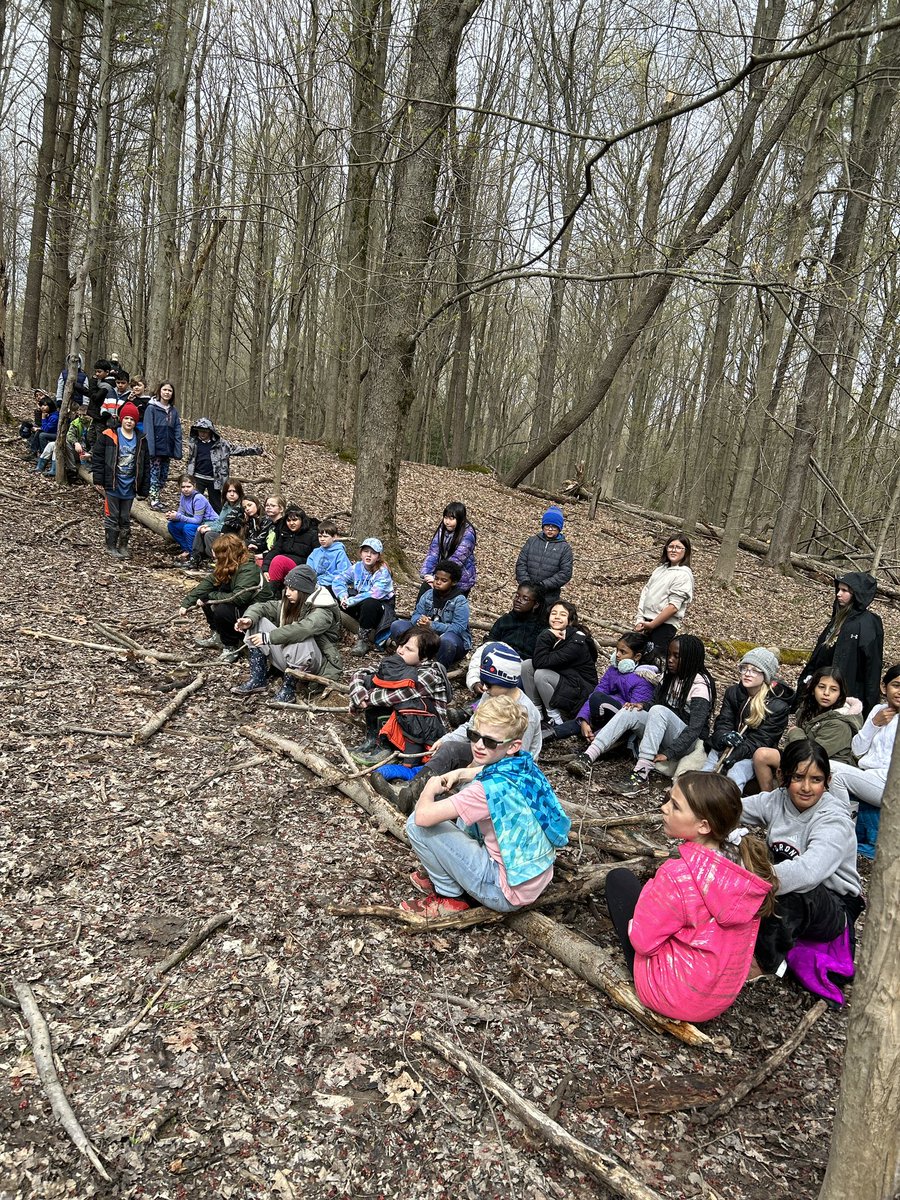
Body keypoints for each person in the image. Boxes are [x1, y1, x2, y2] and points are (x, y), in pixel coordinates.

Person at [605, 772, 775, 1023]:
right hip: (718, 998)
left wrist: (651, 896)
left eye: (674, 806)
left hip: (671, 995)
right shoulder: (744, 868)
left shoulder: (677, 876)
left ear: (704, 825)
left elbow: (643, 943)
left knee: (619, 880)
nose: (664, 808)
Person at [401, 695, 571, 917]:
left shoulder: (485, 790)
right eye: (474, 736)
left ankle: (450, 897)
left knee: (415, 823)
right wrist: (460, 773)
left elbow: (423, 817)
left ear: (513, 746)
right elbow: (484, 772)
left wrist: (429, 788)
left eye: (490, 742)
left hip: (503, 891)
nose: (479, 745)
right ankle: (452, 873)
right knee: (465, 800)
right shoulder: (524, 764)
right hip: (532, 876)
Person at [740, 740, 864, 978]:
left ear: (827, 781)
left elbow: (808, 872)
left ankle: (763, 962)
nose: (806, 787)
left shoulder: (833, 819)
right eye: (798, 778)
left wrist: (748, 881)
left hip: (832, 905)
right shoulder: (776, 800)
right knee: (740, 848)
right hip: (784, 886)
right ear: (782, 776)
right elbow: (731, 809)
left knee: (798, 891)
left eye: (816, 780)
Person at [391, 642, 543, 814]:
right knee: (450, 749)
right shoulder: (490, 695)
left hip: (506, 773)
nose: (484, 688)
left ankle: (429, 806)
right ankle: (410, 790)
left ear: (506, 682)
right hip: (486, 751)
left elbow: (515, 763)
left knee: (471, 789)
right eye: (484, 682)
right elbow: (472, 726)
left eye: (490, 684)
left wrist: (473, 767)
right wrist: (446, 739)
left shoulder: (526, 714)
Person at [566, 634, 716, 794]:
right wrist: (642, 705)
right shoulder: (670, 675)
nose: (670, 660)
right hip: (663, 731)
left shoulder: (700, 684)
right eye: (669, 655)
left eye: (677, 656)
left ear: (691, 659)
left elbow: (695, 728)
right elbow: (656, 702)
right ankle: (589, 755)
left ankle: (641, 774)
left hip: (685, 742)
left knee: (658, 710)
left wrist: (669, 753)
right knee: (630, 710)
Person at [231, 564, 342, 702]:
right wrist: (249, 619)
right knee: (258, 622)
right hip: (291, 658)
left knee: (300, 637)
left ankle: (289, 689)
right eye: (287, 588)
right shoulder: (291, 602)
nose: (287, 592)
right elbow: (262, 607)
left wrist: (268, 637)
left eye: (292, 589)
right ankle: (258, 679)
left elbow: (303, 629)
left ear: (304, 591)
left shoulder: (323, 611)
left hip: (315, 663)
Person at [348, 625, 451, 766]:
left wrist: (361, 700)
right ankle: (372, 741)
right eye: (401, 645)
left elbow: (395, 696)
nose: (400, 651)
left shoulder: (430, 675)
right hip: (405, 721)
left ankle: (387, 747)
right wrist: (358, 692)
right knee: (372, 681)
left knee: (406, 701)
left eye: (408, 649)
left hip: (428, 732)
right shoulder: (398, 664)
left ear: (424, 657)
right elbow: (361, 673)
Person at [753, 666, 862, 793]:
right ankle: (769, 798)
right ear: (813, 689)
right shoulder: (808, 710)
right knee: (760, 758)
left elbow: (811, 754)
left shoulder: (840, 723)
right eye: (821, 687)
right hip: (802, 757)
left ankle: (778, 799)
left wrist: (795, 732)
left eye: (833, 689)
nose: (826, 693)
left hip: (825, 767)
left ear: (840, 694)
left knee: (768, 757)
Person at [829, 664, 900, 856]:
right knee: (824, 768)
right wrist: (875, 723)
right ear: (884, 688)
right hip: (868, 777)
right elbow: (857, 749)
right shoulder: (878, 710)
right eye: (896, 685)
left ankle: (843, 836)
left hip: (890, 785)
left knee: (835, 773)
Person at [700, 648, 792, 791]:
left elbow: (761, 740)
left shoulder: (777, 706)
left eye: (755, 670)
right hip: (726, 746)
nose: (748, 674)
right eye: (744, 668)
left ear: (766, 675)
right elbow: (723, 722)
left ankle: (728, 808)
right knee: (706, 772)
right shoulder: (733, 692)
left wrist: (735, 755)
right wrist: (725, 737)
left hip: (752, 754)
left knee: (736, 773)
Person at [545, 631, 657, 745]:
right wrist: (584, 719)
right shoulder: (613, 670)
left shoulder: (644, 678)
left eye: (623, 652)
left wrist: (600, 733)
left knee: (597, 698)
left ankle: (595, 733)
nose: (617, 654)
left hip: (620, 717)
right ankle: (545, 736)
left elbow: (633, 715)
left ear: (637, 656)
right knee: (578, 721)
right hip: (601, 712)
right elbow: (599, 690)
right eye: (617, 650)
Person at [795, 573, 884, 717]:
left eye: (844, 591)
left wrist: (870, 705)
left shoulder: (868, 623)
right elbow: (820, 654)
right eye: (838, 589)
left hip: (850, 691)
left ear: (856, 594)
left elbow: (872, 666)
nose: (838, 594)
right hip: (825, 687)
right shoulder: (839, 617)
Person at [179, 533, 271, 663]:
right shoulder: (227, 565)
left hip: (257, 610)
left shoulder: (248, 569)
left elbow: (240, 598)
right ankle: (217, 635)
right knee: (207, 599)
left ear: (227, 554)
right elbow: (208, 583)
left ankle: (230, 645)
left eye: (217, 553)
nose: (214, 555)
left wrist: (209, 597)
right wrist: (187, 603)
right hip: (242, 605)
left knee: (222, 610)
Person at [520, 600, 597, 726]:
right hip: (565, 680)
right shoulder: (553, 634)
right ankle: (537, 712)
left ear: (570, 621)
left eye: (562, 614)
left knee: (541, 674)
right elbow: (535, 660)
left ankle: (556, 718)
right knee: (526, 665)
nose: (557, 617)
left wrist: (545, 636)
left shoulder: (576, 642)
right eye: (553, 613)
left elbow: (540, 662)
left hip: (581, 690)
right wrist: (548, 635)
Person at [91, 401, 150, 559]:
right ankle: (111, 546)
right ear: (121, 419)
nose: (129, 421)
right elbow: (98, 458)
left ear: (136, 422)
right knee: (112, 515)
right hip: (112, 484)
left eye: (132, 419)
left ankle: (123, 545)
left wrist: (144, 488)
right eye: (127, 418)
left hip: (130, 485)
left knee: (125, 517)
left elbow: (146, 464)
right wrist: (98, 479)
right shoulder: (109, 435)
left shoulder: (141, 439)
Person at [391, 560, 472, 667]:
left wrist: (432, 625)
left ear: (453, 582)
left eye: (444, 580)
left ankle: (438, 669)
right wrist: (420, 621)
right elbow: (416, 614)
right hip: (426, 637)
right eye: (436, 578)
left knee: (446, 641)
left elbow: (458, 628)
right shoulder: (428, 595)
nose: (438, 582)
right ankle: (405, 658)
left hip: (450, 640)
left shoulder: (460, 601)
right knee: (397, 626)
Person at [633, 533, 695, 656]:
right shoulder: (660, 570)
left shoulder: (683, 575)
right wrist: (640, 619)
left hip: (664, 626)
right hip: (645, 622)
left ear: (685, 551)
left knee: (653, 664)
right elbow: (645, 594)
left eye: (678, 547)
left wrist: (653, 625)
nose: (673, 550)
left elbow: (673, 607)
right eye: (671, 546)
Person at [333, 537, 396, 656]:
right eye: (366, 551)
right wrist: (343, 596)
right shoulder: (357, 567)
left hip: (380, 607)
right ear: (361, 553)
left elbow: (375, 594)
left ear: (378, 556)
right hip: (359, 601)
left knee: (369, 603)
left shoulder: (383, 571)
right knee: (332, 592)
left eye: (373, 553)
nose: (369, 555)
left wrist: (351, 601)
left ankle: (363, 640)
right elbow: (338, 580)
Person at [185, 417, 264, 511]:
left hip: (215, 479)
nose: (202, 433)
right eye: (200, 431)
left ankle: (218, 523)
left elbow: (238, 450)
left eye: (205, 431)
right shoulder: (194, 442)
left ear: (210, 431)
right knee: (194, 501)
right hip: (197, 477)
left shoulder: (221, 444)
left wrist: (256, 450)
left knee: (216, 504)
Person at [515, 507, 573, 605]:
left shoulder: (564, 548)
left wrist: (543, 585)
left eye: (554, 527)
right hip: (526, 593)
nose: (550, 529)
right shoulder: (532, 541)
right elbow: (521, 563)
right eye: (547, 526)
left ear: (559, 528)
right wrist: (526, 583)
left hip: (548, 596)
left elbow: (565, 573)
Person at [420, 502, 477, 596]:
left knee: (450, 607)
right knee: (425, 589)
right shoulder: (442, 529)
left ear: (460, 519)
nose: (447, 522)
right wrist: (427, 574)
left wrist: (437, 578)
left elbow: (457, 560)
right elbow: (433, 552)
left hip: (460, 581)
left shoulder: (468, 535)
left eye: (451, 518)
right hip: (442, 576)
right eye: (445, 517)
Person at [144, 380, 183, 509]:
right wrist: (151, 449)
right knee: (154, 474)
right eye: (165, 390)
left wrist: (177, 450)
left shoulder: (173, 411)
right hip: (156, 448)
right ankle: (153, 500)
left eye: (170, 391)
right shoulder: (151, 408)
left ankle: (155, 496)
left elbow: (177, 430)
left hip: (167, 448)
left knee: (163, 476)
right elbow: (148, 429)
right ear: (159, 391)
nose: (167, 393)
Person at [189, 478, 245, 567]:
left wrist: (211, 528)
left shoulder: (240, 507)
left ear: (239, 493)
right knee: (200, 529)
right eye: (229, 491)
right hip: (223, 531)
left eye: (234, 491)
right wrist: (206, 525)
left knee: (209, 534)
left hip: (233, 535)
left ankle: (219, 559)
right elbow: (219, 521)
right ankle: (196, 557)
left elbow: (227, 525)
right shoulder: (227, 505)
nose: (231, 494)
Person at [165, 476, 219, 561]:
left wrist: (178, 516)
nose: (186, 489)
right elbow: (181, 512)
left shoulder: (198, 498)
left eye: (188, 487)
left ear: (194, 486)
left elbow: (198, 520)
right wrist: (172, 517)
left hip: (208, 523)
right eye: (183, 487)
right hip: (195, 521)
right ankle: (186, 549)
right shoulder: (183, 496)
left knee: (188, 528)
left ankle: (194, 554)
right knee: (172, 525)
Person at [262, 505, 319, 574]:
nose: (291, 523)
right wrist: (265, 569)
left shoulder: (312, 534)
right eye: (288, 520)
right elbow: (275, 550)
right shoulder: (285, 533)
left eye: (295, 520)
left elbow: (317, 556)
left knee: (279, 560)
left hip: (302, 567)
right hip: (283, 564)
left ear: (302, 520)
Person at [306, 520, 353, 593]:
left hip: (332, 584)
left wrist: (323, 580)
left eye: (325, 536)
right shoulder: (315, 552)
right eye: (320, 536)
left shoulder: (339, 553)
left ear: (334, 537)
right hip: (315, 583)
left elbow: (343, 572)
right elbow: (308, 569)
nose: (322, 539)